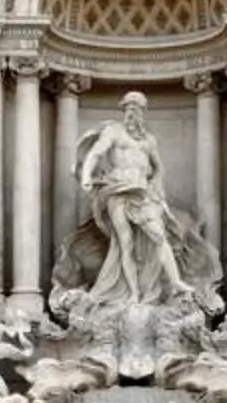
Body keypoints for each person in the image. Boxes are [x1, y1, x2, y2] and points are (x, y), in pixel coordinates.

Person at [75, 90, 187, 304]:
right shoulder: (114, 132)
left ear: (142, 112)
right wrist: (86, 175)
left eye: (135, 108)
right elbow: (96, 153)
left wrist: (156, 186)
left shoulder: (149, 140)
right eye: (127, 108)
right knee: (125, 243)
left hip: (142, 192)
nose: (130, 112)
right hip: (117, 190)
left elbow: (159, 167)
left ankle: (175, 281)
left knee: (158, 235)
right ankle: (134, 293)